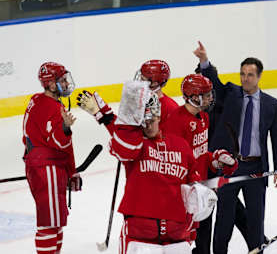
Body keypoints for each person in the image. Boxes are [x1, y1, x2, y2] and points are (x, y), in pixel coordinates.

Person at [77, 80, 230, 254]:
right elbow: (122, 143)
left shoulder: (180, 144)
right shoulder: (136, 146)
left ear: (159, 117)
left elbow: (192, 179)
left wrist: (200, 193)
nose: (148, 125)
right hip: (141, 232)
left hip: (175, 232)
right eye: (144, 120)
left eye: (153, 119)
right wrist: (103, 115)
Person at [193, 41, 277, 253]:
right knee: (223, 222)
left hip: (256, 170)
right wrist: (204, 61)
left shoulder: (272, 104)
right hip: (229, 168)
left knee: (255, 222)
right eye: (243, 74)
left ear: (259, 76)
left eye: (250, 75)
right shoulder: (231, 93)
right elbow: (214, 82)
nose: (245, 78)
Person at [162, 73, 238, 254]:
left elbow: (200, 155)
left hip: (201, 191)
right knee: (183, 242)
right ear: (193, 97)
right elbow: (172, 162)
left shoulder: (203, 117)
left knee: (203, 241)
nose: (211, 98)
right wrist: (194, 183)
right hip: (183, 195)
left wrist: (216, 159)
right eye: (206, 94)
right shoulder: (175, 122)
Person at [22, 62, 81, 254]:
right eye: (61, 80)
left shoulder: (36, 100)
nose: (66, 83)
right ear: (50, 84)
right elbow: (60, 144)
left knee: (54, 222)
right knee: (49, 224)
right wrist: (64, 128)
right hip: (47, 168)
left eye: (65, 78)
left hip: (38, 165)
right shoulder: (54, 109)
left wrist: (70, 172)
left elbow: (28, 136)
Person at [134, 59, 179, 130]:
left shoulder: (170, 108)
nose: (139, 82)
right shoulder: (140, 100)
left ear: (155, 83)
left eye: (142, 79)